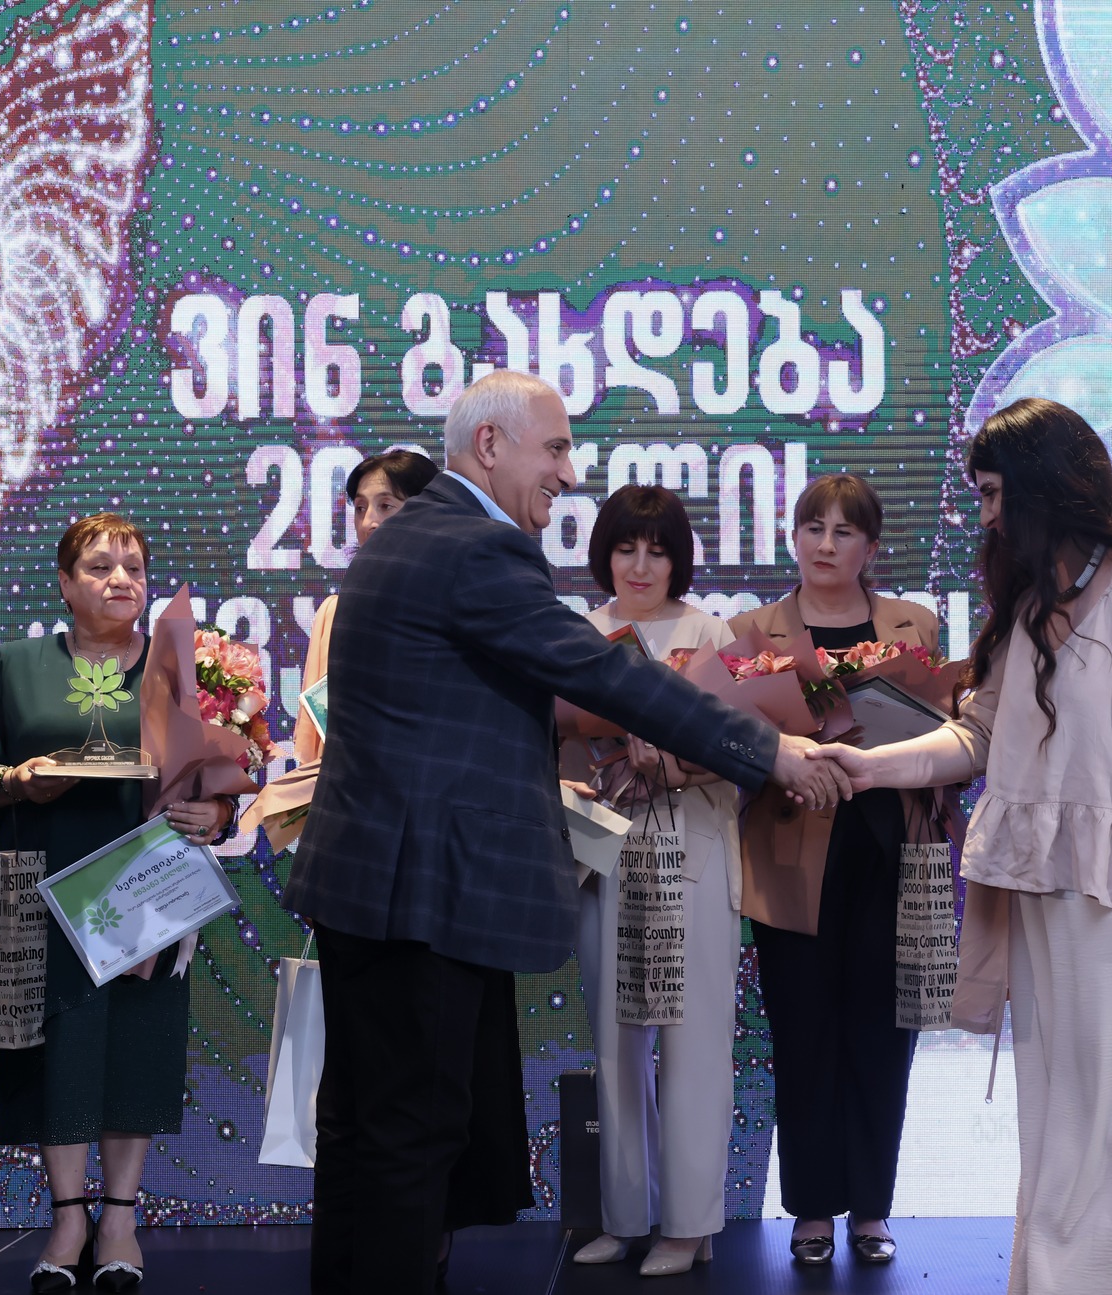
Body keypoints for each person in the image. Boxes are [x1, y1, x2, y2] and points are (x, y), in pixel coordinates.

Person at [284, 369, 847, 1294]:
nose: (567, 472)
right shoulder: (474, 546)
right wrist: (770, 751)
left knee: (362, 1135)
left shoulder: (411, 537)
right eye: (553, 448)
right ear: (489, 445)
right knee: (407, 1143)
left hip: (370, 886)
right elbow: (606, 674)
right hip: (421, 893)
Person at [822, 398, 1112, 1294]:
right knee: (1061, 1126)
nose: (986, 516)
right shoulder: (1027, 603)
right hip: (1040, 897)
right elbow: (978, 736)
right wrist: (866, 767)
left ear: (1041, 487)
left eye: (993, 494)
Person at [0, 514, 237, 1295]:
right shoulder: (16, 665)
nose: (121, 579)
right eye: (100, 565)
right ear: (65, 584)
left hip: (149, 885)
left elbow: (223, 779)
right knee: (58, 1048)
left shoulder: (182, 667)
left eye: (134, 567)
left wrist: (217, 811)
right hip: (43, 878)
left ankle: (119, 1220)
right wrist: (20, 781)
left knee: (136, 1044)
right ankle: (68, 1217)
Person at [727, 472, 946, 1265]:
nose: (825, 544)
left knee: (884, 1032)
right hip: (793, 850)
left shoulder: (914, 625)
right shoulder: (752, 631)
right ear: (793, 537)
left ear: (871, 547)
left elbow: (950, 731)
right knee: (804, 1030)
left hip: (892, 846)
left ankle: (873, 1209)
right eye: (812, 528)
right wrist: (778, 753)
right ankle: (813, 1207)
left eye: (843, 531)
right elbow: (727, 739)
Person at [563, 486, 743, 1276]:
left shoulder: (711, 633)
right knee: (617, 1040)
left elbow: (746, 750)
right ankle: (624, 1214)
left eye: (658, 550)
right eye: (626, 547)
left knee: (694, 1037)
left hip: (692, 847)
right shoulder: (578, 634)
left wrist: (677, 762)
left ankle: (690, 1222)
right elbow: (557, 740)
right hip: (603, 851)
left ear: (679, 559)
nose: (640, 565)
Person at [292, 449, 439, 762]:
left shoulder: (448, 606)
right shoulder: (334, 612)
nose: (369, 522)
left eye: (386, 506)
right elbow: (313, 738)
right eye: (360, 508)